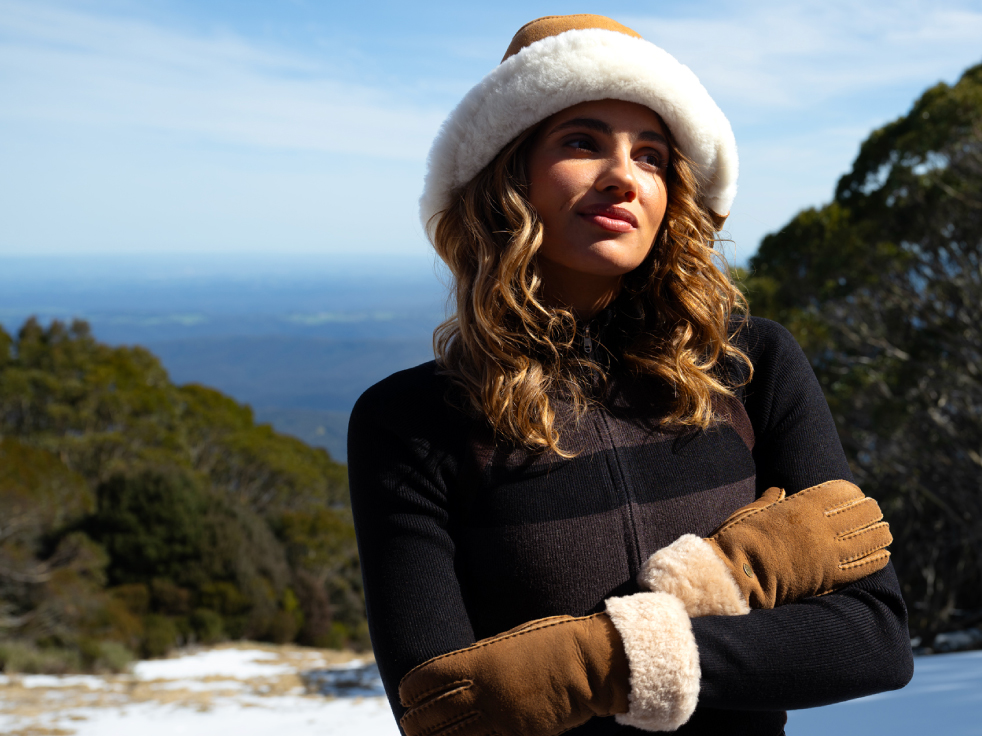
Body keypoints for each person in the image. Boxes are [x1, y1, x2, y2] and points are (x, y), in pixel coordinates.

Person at [348, 15, 913, 735]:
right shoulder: (410, 421)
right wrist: (742, 574)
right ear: (507, 177)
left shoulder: (752, 365)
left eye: (651, 156)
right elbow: (444, 709)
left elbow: (874, 638)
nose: (623, 177)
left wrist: (590, 663)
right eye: (582, 143)